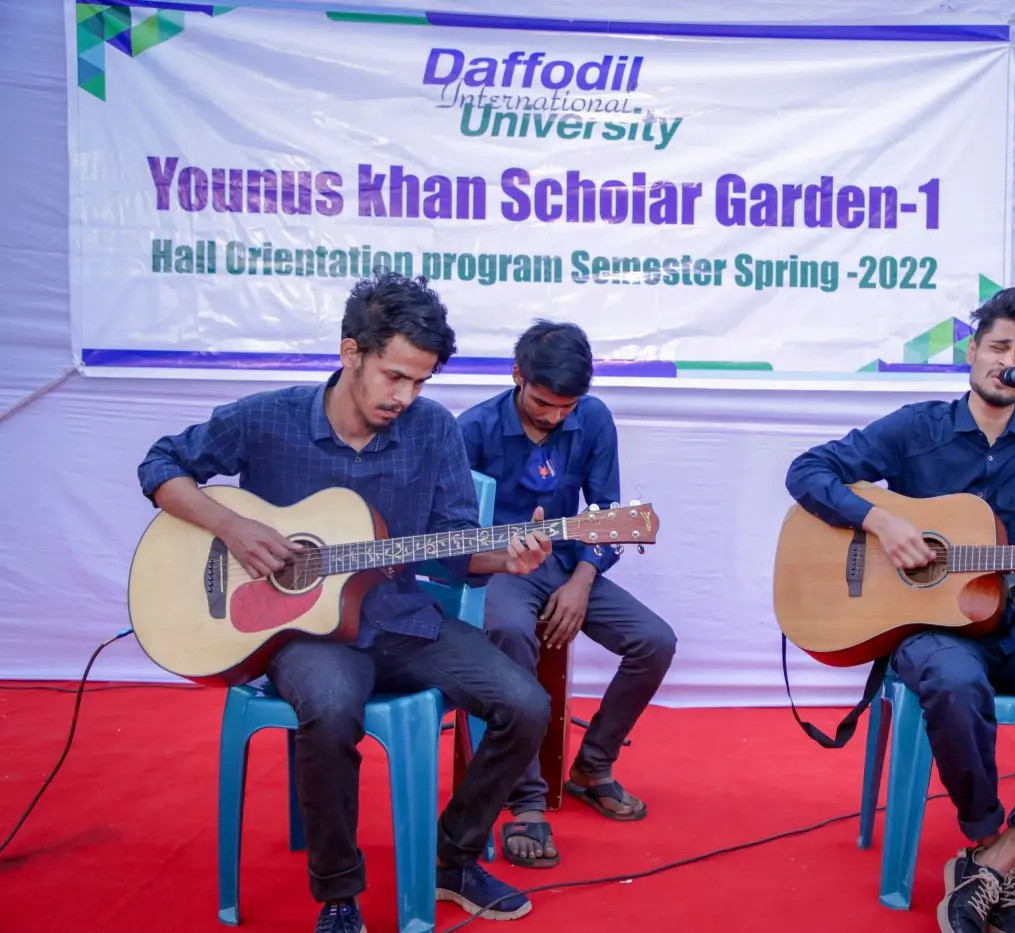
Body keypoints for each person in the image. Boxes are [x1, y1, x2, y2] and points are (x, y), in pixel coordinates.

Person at [137, 270, 554, 933]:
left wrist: (506, 556)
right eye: (394, 376)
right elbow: (160, 465)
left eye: (420, 382)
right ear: (351, 351)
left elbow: (454, 543)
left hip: (400, 619)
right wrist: (233, 527)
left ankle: (453, 859)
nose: (406, 396)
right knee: (331, 708)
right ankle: (339, 894)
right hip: (301, 633)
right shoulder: (267, 417)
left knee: (527, 704)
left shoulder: (432, 430)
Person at [784, 288, 1015, 933]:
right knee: (955, 681)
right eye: (999, 346)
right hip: (930, 630)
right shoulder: (916, 428)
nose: (1009, 361)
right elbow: (808, 471)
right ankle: (987, 839)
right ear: (973, 351)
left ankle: (996, 861)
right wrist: (881, 522)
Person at [457, 320, 676, 869]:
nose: (554, 417)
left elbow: (605, 512)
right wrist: (499, 556)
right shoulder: (473, 429)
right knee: (509, 631)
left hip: (564, 562)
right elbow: (454, 530)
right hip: (499, 568)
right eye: (543, 403)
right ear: (517, 375)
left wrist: (582, 581)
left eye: (566, 407)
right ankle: (526, 801)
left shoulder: (594, 418)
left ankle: (592, 766)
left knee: (655, 641)